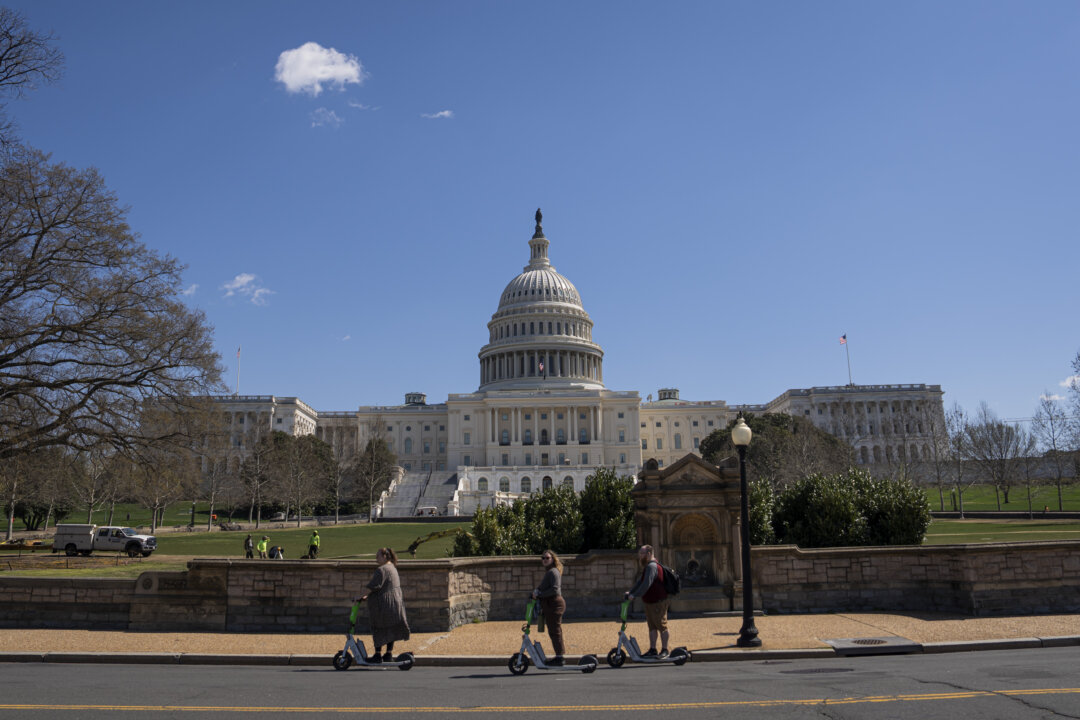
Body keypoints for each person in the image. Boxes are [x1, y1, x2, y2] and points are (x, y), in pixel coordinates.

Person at [355, 547, 410, 663]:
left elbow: (373, 586)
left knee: (378, 627)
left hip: (383, 605)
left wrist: (359, 596)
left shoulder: (382, 570)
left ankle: (377, 655)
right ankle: (388, 654)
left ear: (385, 556)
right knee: (390, 628)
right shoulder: (392, 568)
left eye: (378, 556)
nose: (376, 558)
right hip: (395, 604)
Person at [624, 544, 669, 659]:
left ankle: (665, 650)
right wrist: (631, 592)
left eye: (642, 553)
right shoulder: (648, 567)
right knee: (652, 627)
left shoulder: (652, 567)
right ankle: (653, 649)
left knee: (662, 626)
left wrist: (634, 595)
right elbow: (640, 582)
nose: (640, 556)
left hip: (657, 602)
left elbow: (646, 584)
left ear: (649, 554)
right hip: (650, 601)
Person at [531, 549, 566, 666]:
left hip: (555, 604)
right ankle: (559, 656)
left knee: (555, 631)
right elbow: (542, 587)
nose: (545, 560)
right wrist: (536, 592)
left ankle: (560, 657)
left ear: (552, 559)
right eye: (543, 558)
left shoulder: (553, 572)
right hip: (550, 604)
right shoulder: (549, 572)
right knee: (553, 631)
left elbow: (555, 589)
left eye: (547, 558)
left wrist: (540, 594)